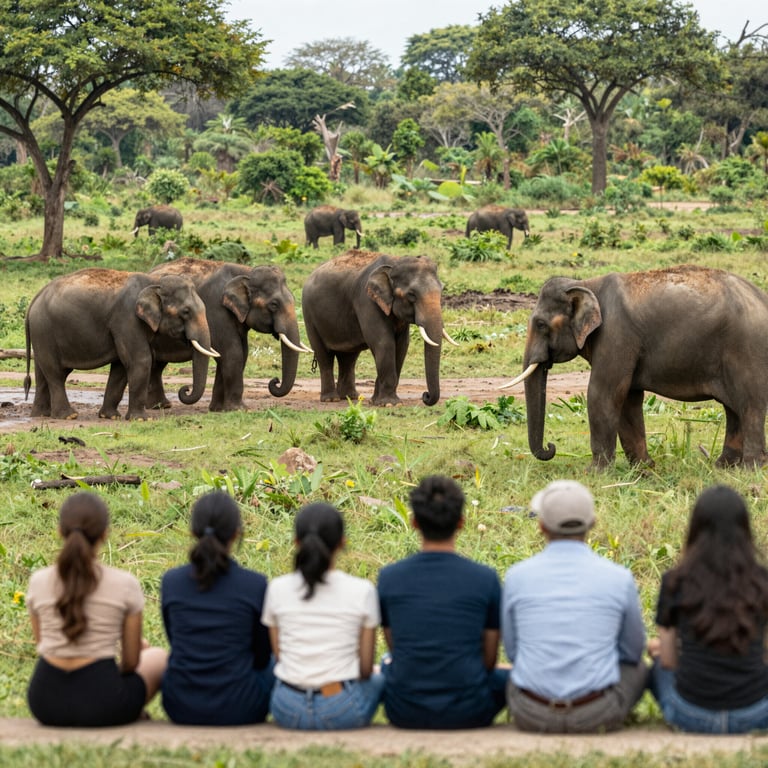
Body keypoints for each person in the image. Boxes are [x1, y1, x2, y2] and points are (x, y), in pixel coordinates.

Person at [502, 479, 648, 733]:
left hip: (530, 712)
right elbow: (633, 652)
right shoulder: (619, 577)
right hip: (597, 713)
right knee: (642, 667)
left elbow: (514, 652)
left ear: (541, 526)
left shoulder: (516, 576)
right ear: (593, 523)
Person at [26, 492, 167, 727]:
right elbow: (131, 663)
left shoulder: (38, 581)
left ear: (60, 531)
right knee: (159, 657)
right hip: (103, 703)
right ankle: (131, 711)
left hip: (45, 701)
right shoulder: (124, 583)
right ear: (104, 533)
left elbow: (43, 645)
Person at [377, 475, 508, 729]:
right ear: (461, 522)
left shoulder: (389, 578)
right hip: (471, 709)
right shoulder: (485, 579)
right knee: (510, 678)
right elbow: (490, 660)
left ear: (414, 522)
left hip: (404, 709)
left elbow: (395, 646)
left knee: (384, 665)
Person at [649, 485, 768, 733]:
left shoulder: (674, 581)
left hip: (690, 714)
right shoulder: (762, 581)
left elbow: (669, 661)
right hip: (757, 715)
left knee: (654, 667)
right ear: (746, 529)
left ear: (695, 529)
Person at [262, 502, 384, 730]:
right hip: (341, 708)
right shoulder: (362, 590)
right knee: (382, 676)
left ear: (296, 542)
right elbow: (366, 669)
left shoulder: (277, 588)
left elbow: (280, 657)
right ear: (342, 543)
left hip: (286, 707)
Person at [160, 491, 275, 725]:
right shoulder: (255, 584)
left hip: (181, 705)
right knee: (279, 663)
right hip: (242, 707)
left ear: (192, 532)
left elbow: (175, 641)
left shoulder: (171, 582)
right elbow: (262, 657)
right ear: (236, 533)